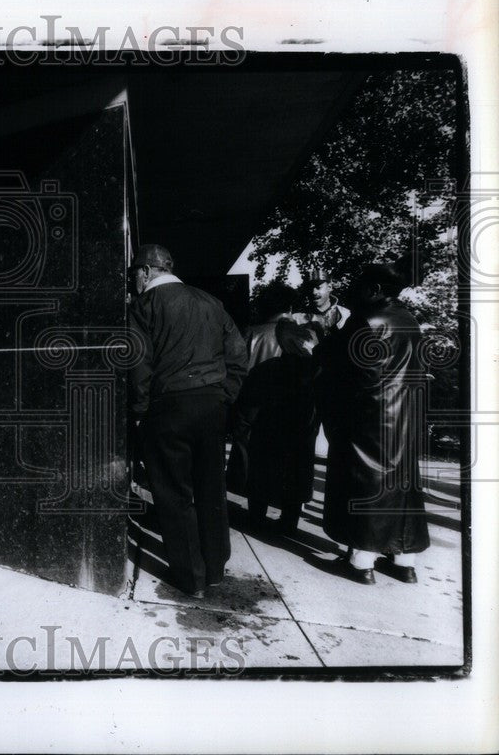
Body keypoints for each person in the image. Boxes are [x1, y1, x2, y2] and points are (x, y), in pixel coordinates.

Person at [128, 244, 248, 598]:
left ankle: (190, 576)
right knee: (211, 487)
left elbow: (139, 366)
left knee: (174, 493)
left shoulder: (143, 307)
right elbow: (238, 354)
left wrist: (139, 412)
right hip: (212, 406)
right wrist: (225, 394)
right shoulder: (209, 301)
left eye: (133, 272)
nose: (132, 279)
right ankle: (214, 569)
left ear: (147, 271)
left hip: (168, 408)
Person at [321, 262, 430, 585]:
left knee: (365, 483)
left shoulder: (365, 321)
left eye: (359, 285)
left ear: (375, 290)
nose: (353, 290)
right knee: (402, 485)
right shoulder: (409, 320)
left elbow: (347, 372)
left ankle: (361, 560)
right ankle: (404, 561)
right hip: (405, 415)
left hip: (369, 416)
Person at [226, 283, 318, 533]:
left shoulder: (251, 334)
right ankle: (290, 520)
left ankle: (256, 516)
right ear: (290, 307)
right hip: (298, 410)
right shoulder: (308, 336)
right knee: (296, 462)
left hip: (258, 408)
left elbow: (238, 372)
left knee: (259, 463)